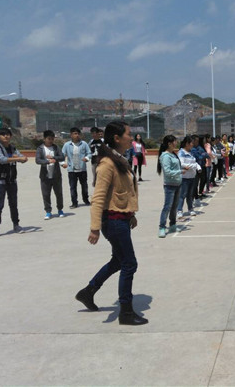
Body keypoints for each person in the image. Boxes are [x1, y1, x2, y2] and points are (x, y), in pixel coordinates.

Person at [75, 121, 148, 326]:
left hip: (121, 219)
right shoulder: (107, 163)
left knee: (118, 261)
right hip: (114, 222)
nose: (131, 137)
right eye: (128, 134)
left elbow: (122, 192)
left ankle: (88, 292)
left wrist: (130, 214)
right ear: (116, 138)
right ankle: (125, 312)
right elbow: (98, 197)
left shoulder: (119, 159)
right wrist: (94, 228)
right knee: (129, 263)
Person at [0, 127, 28, 238]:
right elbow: (1, 159)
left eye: (8, 134)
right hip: (0, 181)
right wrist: (16, 158)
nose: (6, 136)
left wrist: (24, 158)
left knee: (13, 204)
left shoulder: (12, 148)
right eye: (3, 134)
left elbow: (21, 157)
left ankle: (16, 225)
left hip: (12, 181)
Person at [35, 130, 65, 219]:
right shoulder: (40, 148)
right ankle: (48, 211)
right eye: (49, 139)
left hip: (56, 175)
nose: (51, 141)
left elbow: (62, 157)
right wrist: (47, 161)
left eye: (52, 139)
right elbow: (38, 160)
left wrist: (54, 157)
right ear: (44, 139)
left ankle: (60, 209)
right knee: (46, 194)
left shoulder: (56, 147)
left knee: (59, 194)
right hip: (45, 176)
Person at [157, 135, 182, 238]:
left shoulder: (173, 154)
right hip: (170, 185)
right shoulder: (165, 156)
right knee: (167, 206)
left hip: (177, 184)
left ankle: (173, 224)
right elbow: (167, 172)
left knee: (174, 206)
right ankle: (162, 227)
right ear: (169, 143)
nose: (176, 143)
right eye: (175, 141)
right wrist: (180, 172)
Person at [62, 127, 91, 209]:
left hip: (82, 169)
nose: (77, 135)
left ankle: (86, 200)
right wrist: (63, 163)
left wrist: (87, 158)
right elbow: (62, 155)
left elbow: (89, 153)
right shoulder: (67, 145)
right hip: (72, 170)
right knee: (73, 187)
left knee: (84, 186)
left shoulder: (84, 144)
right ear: (71, 135)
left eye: (78, 133)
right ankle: (74, 202)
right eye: (75, 134)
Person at [177, 136, 202, 218]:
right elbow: (182, 164)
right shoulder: (181, 152)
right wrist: (192, 166)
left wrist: (198, 167)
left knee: (190, 195)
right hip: (184, 177)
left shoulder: (191, 152)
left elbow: (194, 162)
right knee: (182, 195)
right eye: (191, 143)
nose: (192, 144)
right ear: (187, 144)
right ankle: (179, 210)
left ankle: (190, 209)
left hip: (192, 177)